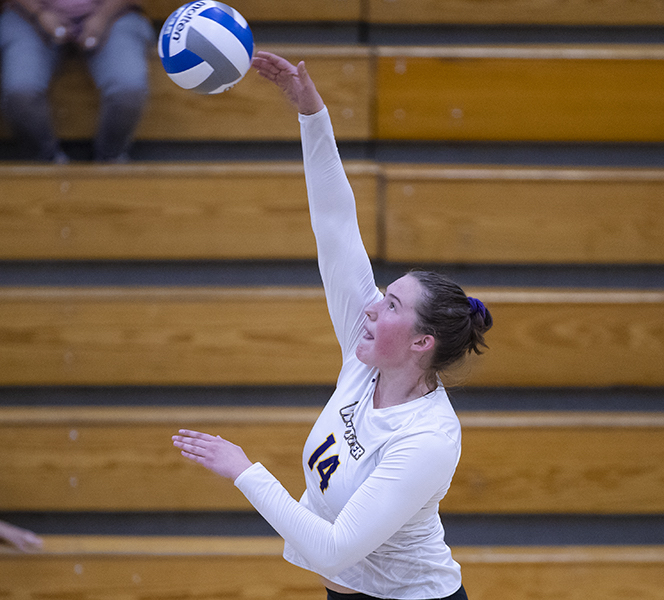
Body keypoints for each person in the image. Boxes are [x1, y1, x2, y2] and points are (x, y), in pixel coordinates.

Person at [172, 51, 493, 600]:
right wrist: (311, 113)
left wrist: (244, 470)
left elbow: (333, 549)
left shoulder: (427, 439)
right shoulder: (363, 356)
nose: (371, 308)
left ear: (421, 341)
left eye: (390, 305)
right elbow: (335, 223)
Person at [0, 0, 154, 162]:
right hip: (26, 15)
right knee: (20, 90)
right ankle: (47, 164)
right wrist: (39, 12)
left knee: (128, 89)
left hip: (115, 13)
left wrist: (102, 16)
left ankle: (110, 163)